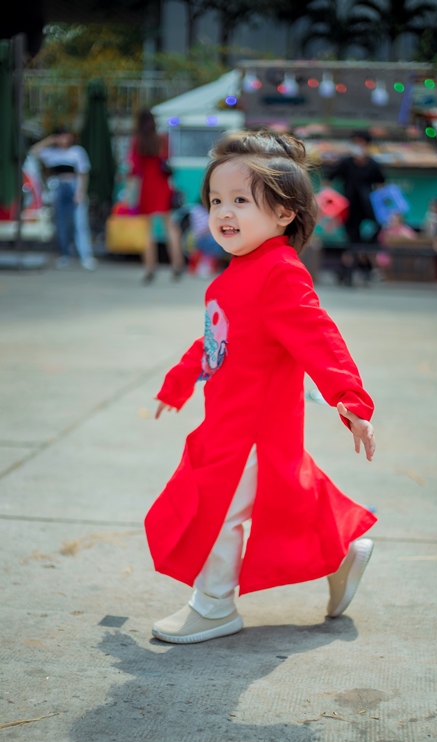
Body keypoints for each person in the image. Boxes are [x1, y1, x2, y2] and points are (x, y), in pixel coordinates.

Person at [145, 131, 377, 644]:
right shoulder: (231, 276)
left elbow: (319, 337)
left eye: (240, 201)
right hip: (229, 421)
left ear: (284, 213)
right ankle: (342, 551)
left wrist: (350, 399)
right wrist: (178, 382)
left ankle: (213, 605)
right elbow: (215, 340)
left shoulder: (279, 273)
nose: (223, 212)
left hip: (253, 429)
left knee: (215, 509)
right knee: (285, 499)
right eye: (215, 201)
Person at [128, 109, 184, 283]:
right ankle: (177, 264)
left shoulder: (137, 141)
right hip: (162, 185)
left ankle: (150, 267)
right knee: (170, 226)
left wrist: (129, 195)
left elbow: (134, 169)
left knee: (147, 229)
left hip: (147, 187)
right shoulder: (162, 139)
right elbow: (167, 162)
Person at [324, 130, 385, 285]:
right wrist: (332, 199)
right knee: (352, 240)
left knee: (368, 236)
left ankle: (358, 264)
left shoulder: (373, 165)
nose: (357, 145)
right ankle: (350, 273)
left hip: (368, 209)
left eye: (360, 142)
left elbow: (381, 183)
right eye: (355, 142)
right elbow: (329, 179)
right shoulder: (346, 163)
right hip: (349, 209)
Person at [30, 127, 97, 270]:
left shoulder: (77, 151)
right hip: (57, 186)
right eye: (60, 136)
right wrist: (49, 141)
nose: (63, 139)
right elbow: (33, 152)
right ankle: (64, 254)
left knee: (79, 222)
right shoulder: (51, 153)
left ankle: (85, 255)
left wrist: (80, 192)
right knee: (60, 222)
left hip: (73, 185)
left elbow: (83, 173)